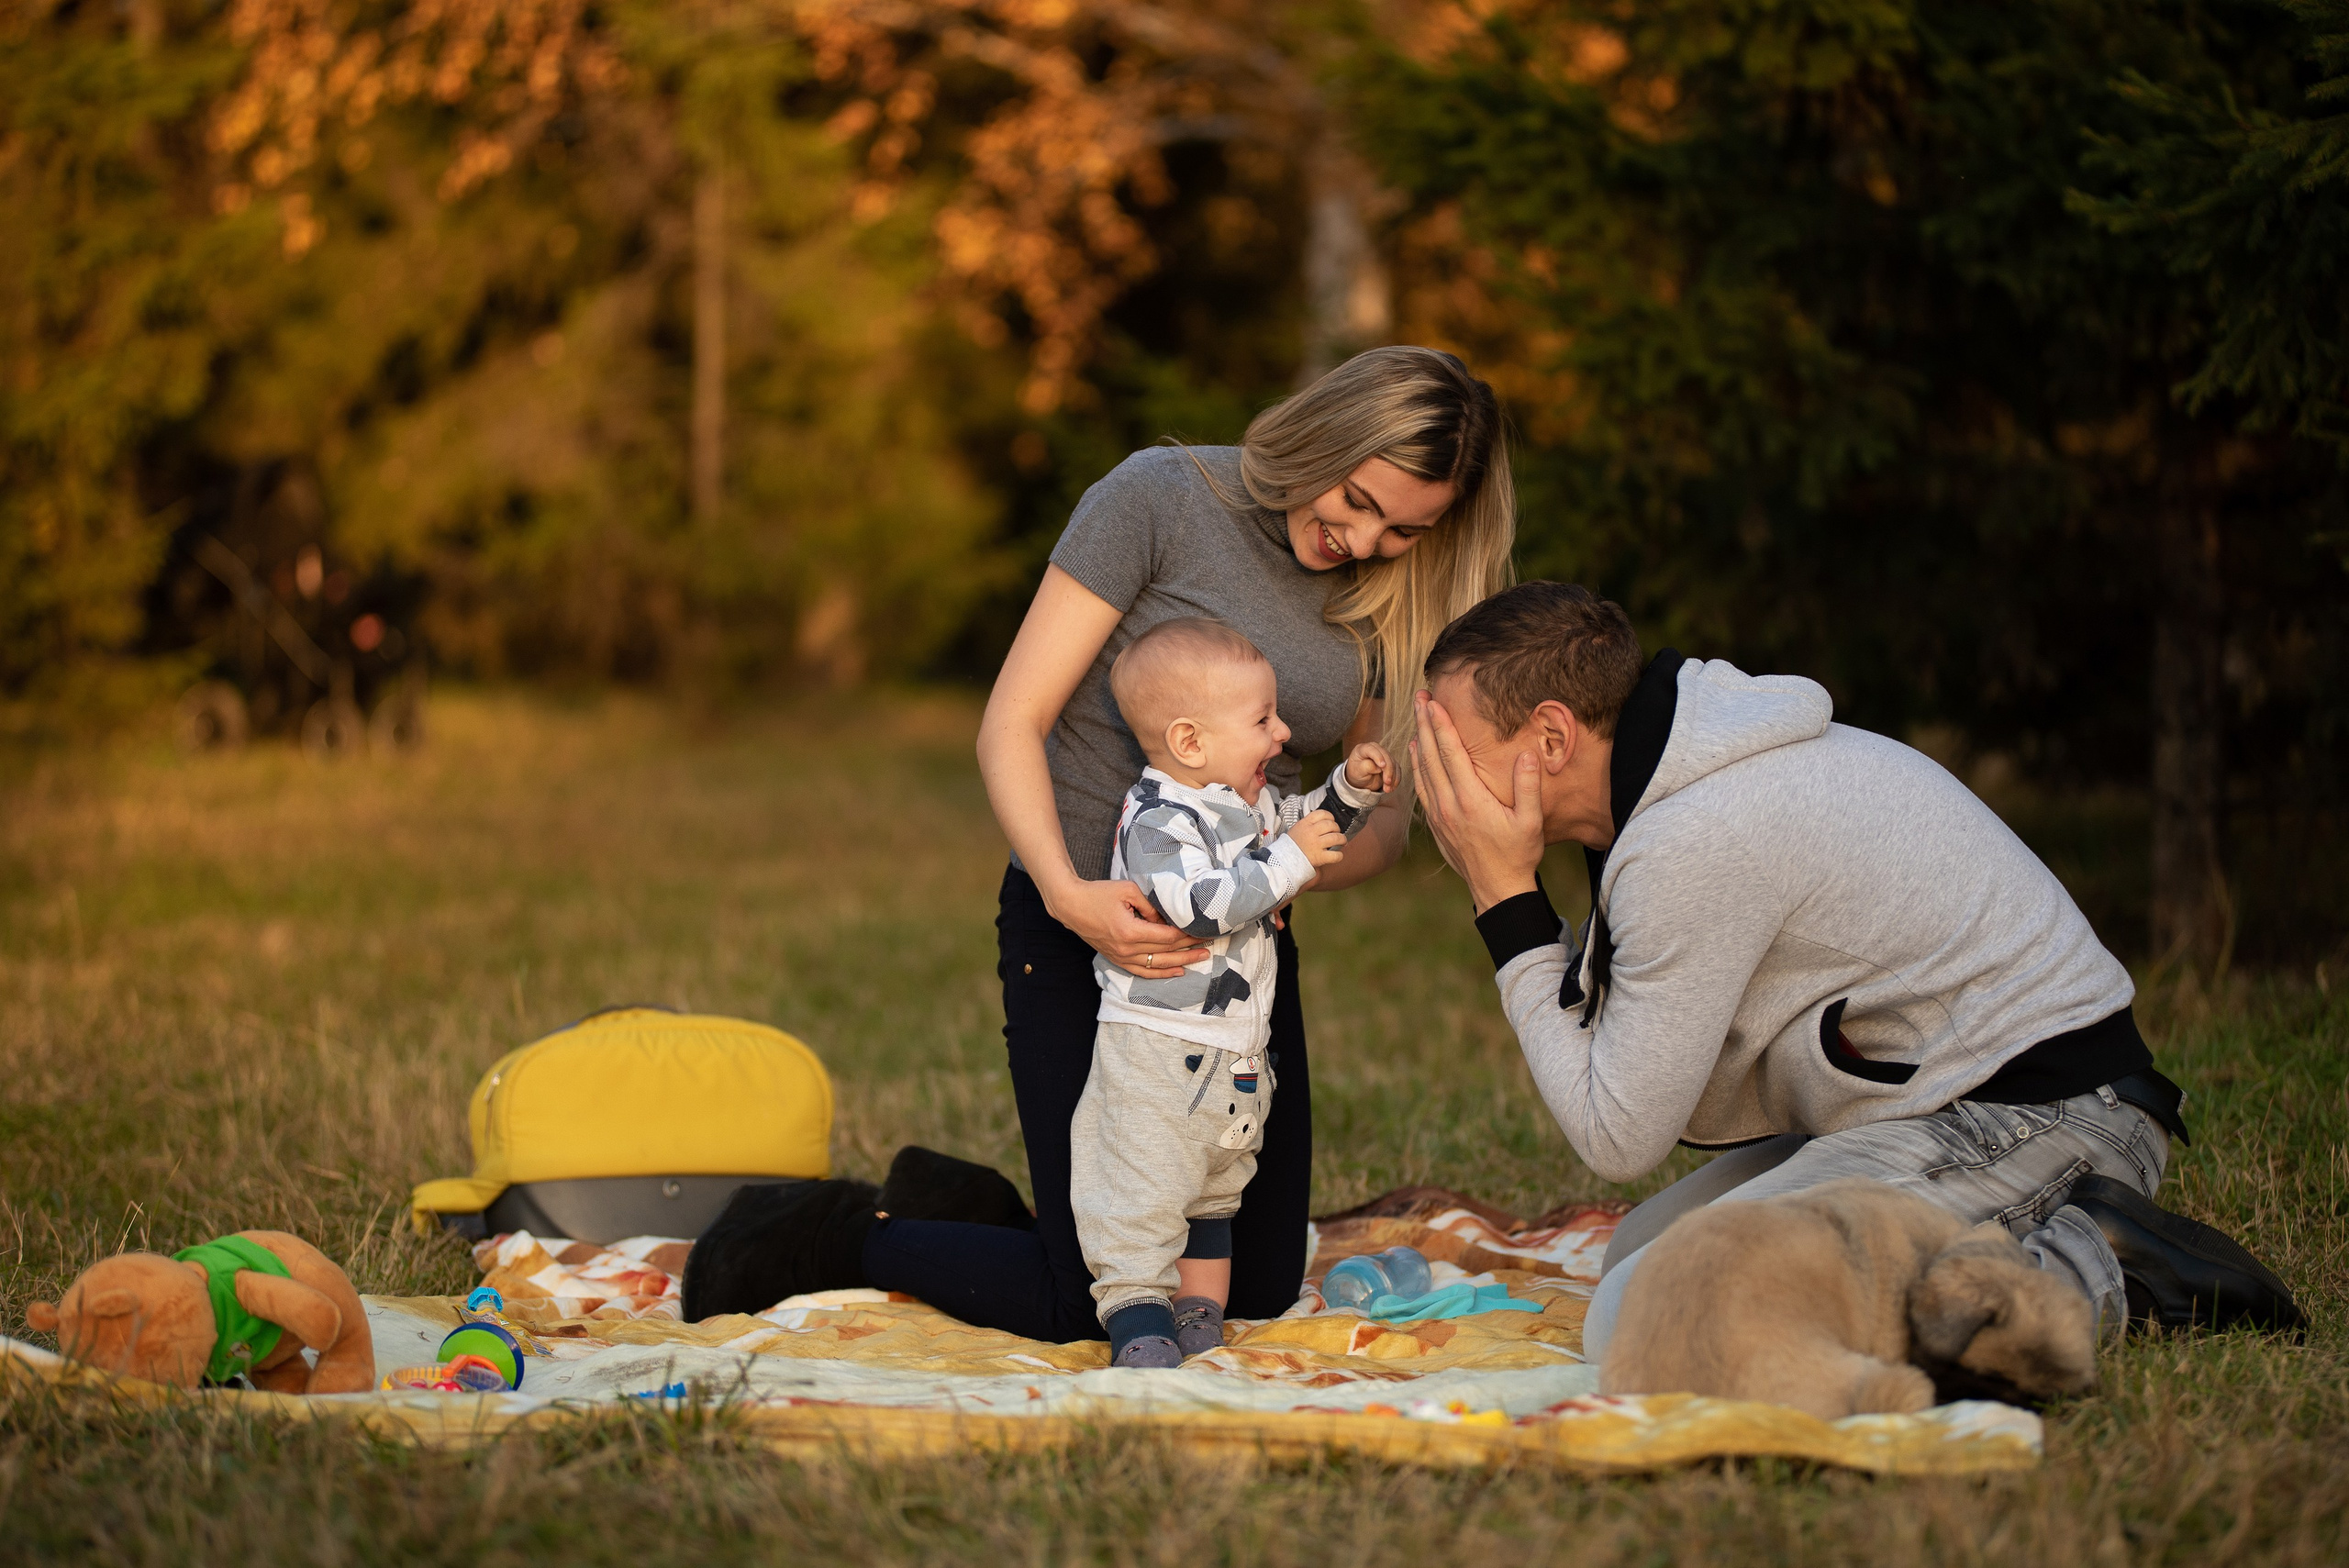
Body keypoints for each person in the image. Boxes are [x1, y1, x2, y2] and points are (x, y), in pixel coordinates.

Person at [681, 346, 1513, 1338]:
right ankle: (841, 1229)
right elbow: (1010, 723)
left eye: (1404, 527)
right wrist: (1073, 898)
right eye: (1357, 497)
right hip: (1073, 921)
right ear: (1325, 437)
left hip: (1229, 971)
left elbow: (1375, 829)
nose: (1366, 538)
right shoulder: (1160, 498)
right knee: (1101, 1298)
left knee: (1249, 1289)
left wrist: (1281, 876)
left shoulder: (1387, 589)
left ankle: (971, 1208)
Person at [1408, 581, 2303, 1360]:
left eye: (1451, 747)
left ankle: (2099, 1264)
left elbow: (1615, 1135)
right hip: (1937, 1104)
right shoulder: (1673, 781)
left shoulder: (1698, 834)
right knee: (1639, 1256)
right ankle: (1975, 1247)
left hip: (2048, 1116)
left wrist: (1503, 897)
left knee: (1648, 1315)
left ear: (1552, 736)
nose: (1433, 780)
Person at [1071, 617, 1392, 1365]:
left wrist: (1351, 787)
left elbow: (1304, 828)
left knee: (1215, 1199)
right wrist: (1287, 860)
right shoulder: (1157, 821)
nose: (1282, 733)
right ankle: (1138, 1328)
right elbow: (1205, 904)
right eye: (1262, 719)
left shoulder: (1239, 805)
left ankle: (1199, 1322)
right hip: (1157, 1059)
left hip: (1234, 1059)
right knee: (1144, 1195)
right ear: (1190, 742)